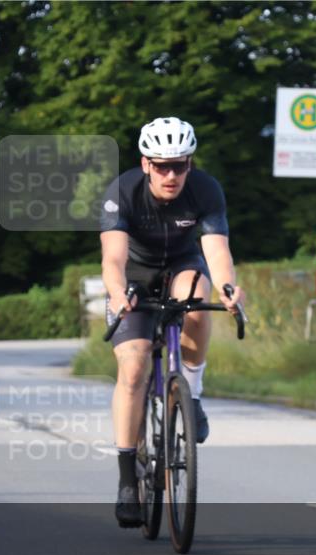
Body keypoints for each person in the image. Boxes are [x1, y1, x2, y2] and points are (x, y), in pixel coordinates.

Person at [100, 117, 245, 528]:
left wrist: (229, 288)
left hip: (182, 265)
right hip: (134, 275)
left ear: (190, 163)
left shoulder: (205, 189)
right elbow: (113, 257)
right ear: (145, 163)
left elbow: (217, 253)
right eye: (161, 165)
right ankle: (128, 479)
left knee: (197, 301)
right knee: (134, 366)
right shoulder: (122, 192)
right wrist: (117, 294)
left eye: (179, 165)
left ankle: (192, 394)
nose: (170, 175)